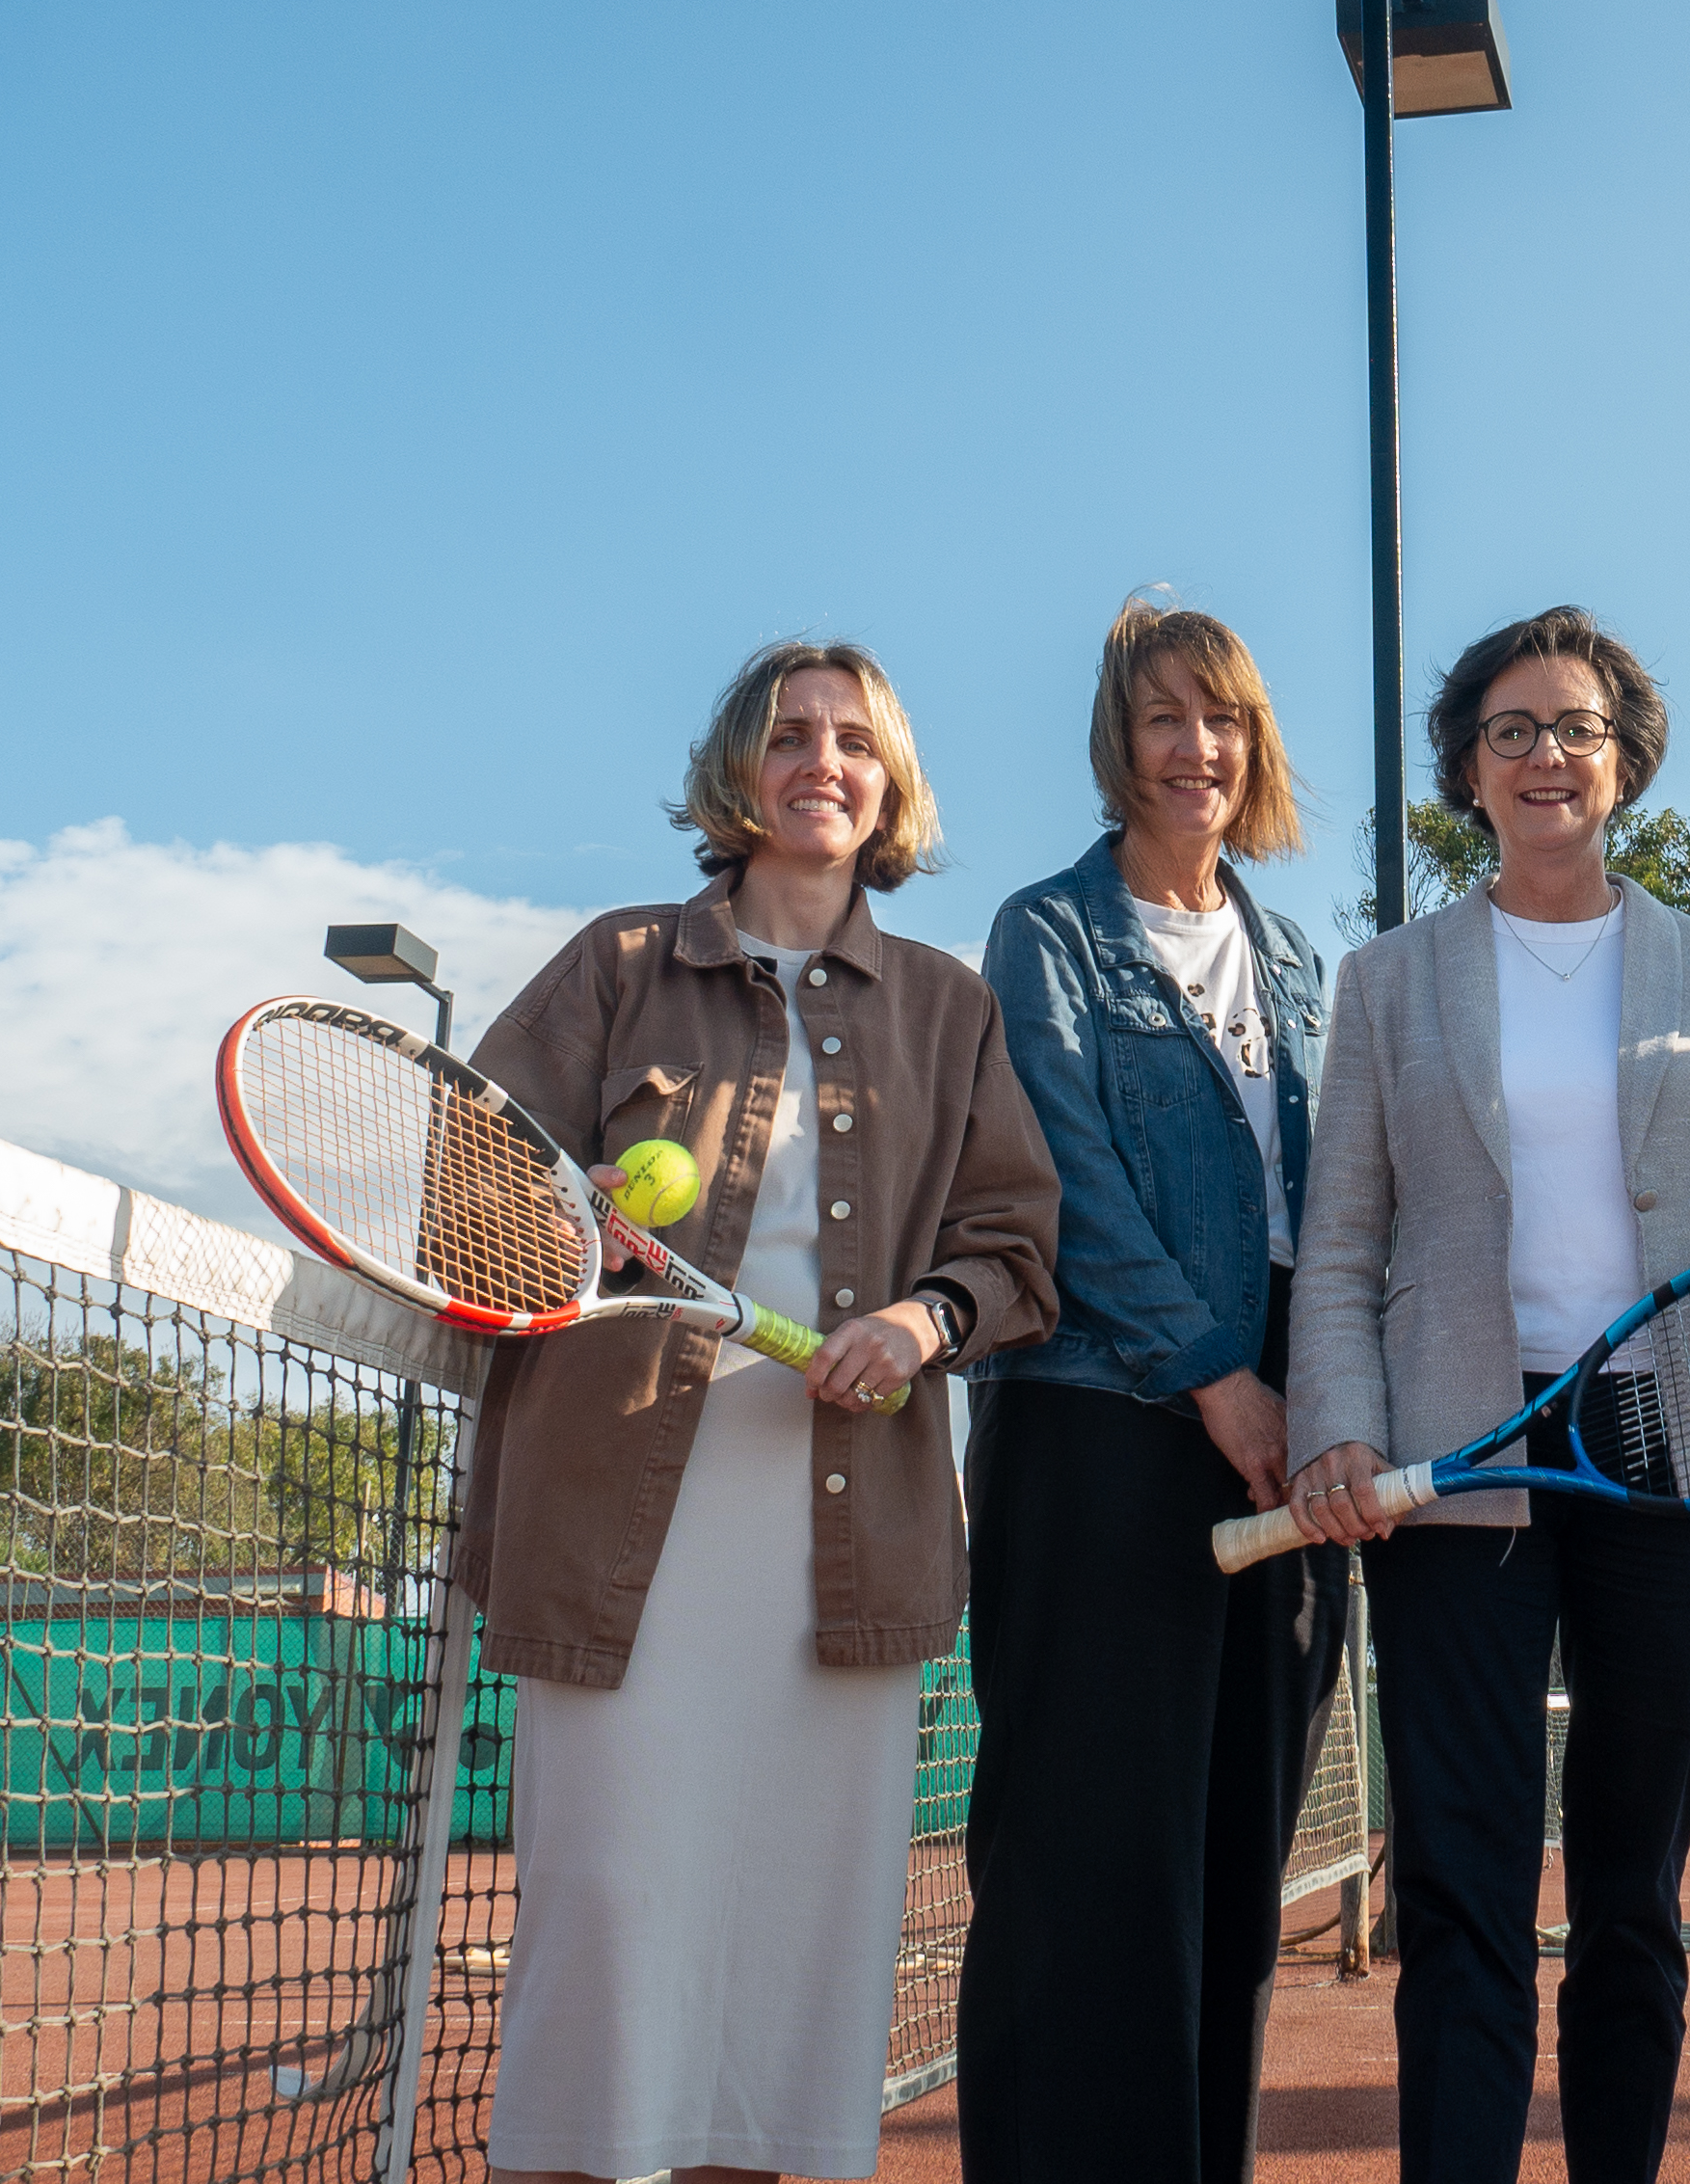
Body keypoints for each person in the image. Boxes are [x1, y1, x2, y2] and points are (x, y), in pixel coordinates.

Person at [1284, 605, 1690, 2184]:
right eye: (1513, 732)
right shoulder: (1391, 981)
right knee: (1465, 1883)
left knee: (1632, 1887)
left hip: (1675, 1454)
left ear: (1628, 760)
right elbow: (1342, 1236)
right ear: (1469, 772)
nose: (1549, 756)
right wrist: (1336, 1423)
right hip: (1462, 1447)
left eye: (1580, 729)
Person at [464, 638, 1060, 2184]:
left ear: (891, 784)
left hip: (843, 1547)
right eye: (791, 735)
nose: (824, 763)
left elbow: (1015, 1255)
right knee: (609, 1915)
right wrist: (560, 1218)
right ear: (741, 768)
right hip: (618, 1530)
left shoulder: (948, 1009)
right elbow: (464, 1186)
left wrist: (923, 1323)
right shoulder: (615, 964)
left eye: (855, 742)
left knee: (795, 1950)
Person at [962, 599, 1346, 2184]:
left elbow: (1340, 1204)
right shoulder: (1047, 932)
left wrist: (1320, 1406)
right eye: (1165, 719)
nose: (1198, 750)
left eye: (1225, 720)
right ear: (1119, 742)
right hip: (1106, 1430)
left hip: (1281, 1437)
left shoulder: (1303, 954)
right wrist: (1214, 1378)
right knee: (1088, 1865)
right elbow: (1069, 1180)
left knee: (1234, 1858)